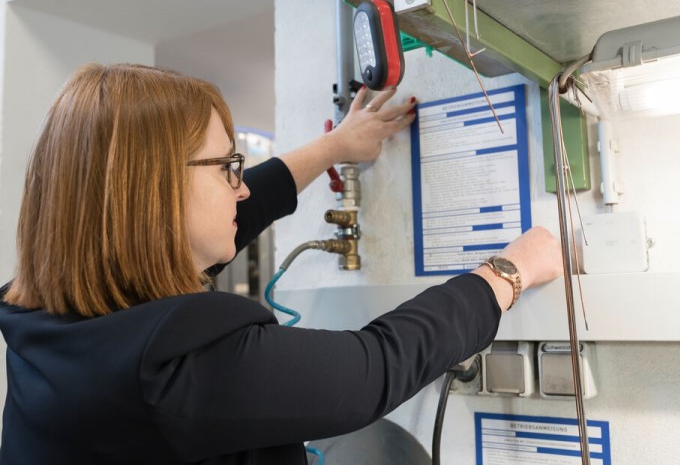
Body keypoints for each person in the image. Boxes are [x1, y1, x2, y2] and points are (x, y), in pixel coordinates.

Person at [0, 63, 562, 464]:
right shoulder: (175, 363)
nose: (241, 188)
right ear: (154, 193)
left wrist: (334, 146)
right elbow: (374, 369)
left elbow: (224, 219)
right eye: (228, 168)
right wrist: (507, 273)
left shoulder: (50, 318)